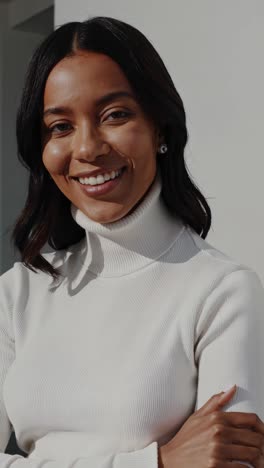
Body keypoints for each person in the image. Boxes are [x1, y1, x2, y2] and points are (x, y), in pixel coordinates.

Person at [0, 15, 264, 468]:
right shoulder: (17, 293)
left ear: (159, 127)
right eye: (60, 126)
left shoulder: (222, 292)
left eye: (114, 115)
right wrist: (155, 463)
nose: (87, 148)